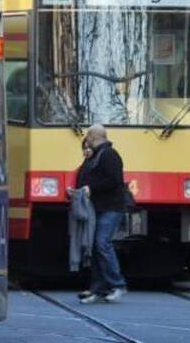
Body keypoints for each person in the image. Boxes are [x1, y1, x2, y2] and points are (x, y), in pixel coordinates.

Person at [78, 125, 128, 304]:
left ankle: (117, 284)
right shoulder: (96, 154)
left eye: (88, 136)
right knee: (97, 247)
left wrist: (91, 188)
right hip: (101, 207)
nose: (86, 139)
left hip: (110, 207)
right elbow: (84, 176)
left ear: (93, 136)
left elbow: (113, 180)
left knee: (102, 244)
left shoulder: (109, 155)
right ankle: (98, 288)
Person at [68, 138, 95, 275]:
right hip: (84, 205)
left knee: (83, 237)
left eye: (90, 148)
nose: (87, 150)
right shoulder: (85, 165)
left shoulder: (90, 165)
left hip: (89, 207)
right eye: (85, 148)